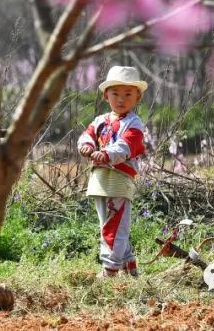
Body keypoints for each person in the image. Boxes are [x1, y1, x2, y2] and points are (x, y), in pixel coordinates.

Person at [77, 65, 149, 278]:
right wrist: (87, 146)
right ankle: (129, 266)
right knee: (107, 222)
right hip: (100, 179)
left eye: (128, 94)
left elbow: (126, 147)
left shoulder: (135, 124)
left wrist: (106, 154)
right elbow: (87, 135)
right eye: (115, 93)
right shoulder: (101, 121)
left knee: (114, 225)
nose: (121, 99)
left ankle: (109, 270)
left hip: (119, 179)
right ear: (105, 95)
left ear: (138, 97)